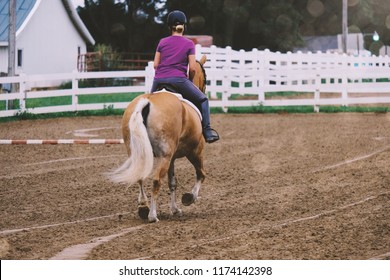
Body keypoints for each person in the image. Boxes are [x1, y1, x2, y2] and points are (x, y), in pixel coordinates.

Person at [151, 10, 219, 143]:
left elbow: (155, 65)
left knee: (147, 103)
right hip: (178, 80)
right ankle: (207, 130)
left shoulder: (162, 42)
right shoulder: (189, 44)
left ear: (169, 27)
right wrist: (190, 79)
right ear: (184, 26)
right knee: (203, 99)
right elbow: (193, 67)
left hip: (159, 80)